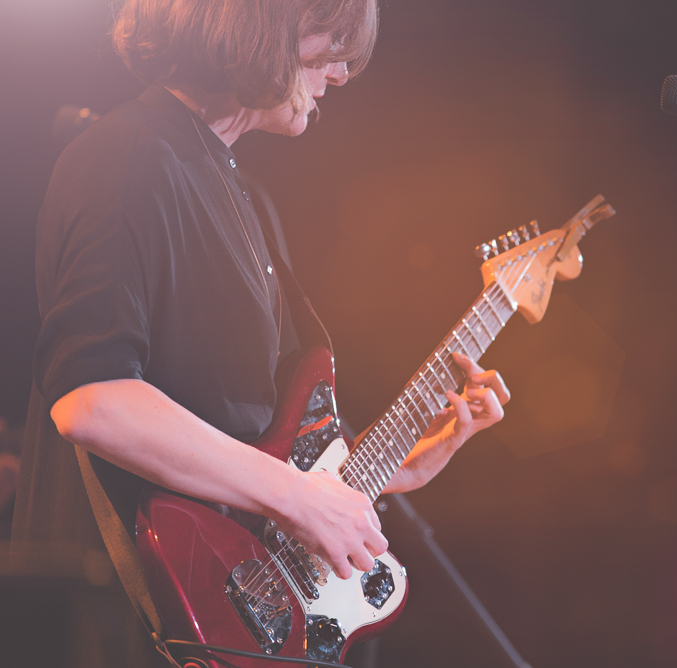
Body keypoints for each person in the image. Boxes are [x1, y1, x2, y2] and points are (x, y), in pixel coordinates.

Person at [13, 0, 509, 659]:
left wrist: (406, 467)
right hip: (124, 621)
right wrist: (298, 498)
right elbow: (94, 400)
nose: (340, 75)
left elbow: (246, 440)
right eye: (332, 45)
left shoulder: (247, 198)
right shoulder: (126, 158)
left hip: (221, 618)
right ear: (263, 23)